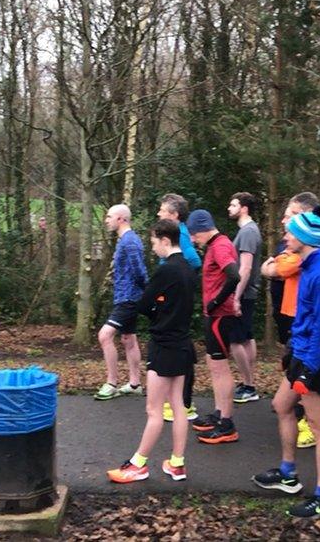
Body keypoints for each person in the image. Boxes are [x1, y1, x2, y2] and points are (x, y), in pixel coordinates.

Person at [252, 210, 320, 520]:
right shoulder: (309, 264)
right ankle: (288, 474)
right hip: (302, 351)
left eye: (290, 233)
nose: (286, 237)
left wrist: (309, 368)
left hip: (319, 360)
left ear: (304, 238)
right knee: (281, 405)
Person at [107, 220, 196, 484]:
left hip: (163, 346)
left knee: (154, 410)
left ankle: (138, 464)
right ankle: (177, 464)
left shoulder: (166, 271)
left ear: (165, 240)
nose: (153, 247)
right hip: (182, 345)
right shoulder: (190, 269)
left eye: (154, 242)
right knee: (178, 405)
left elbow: (144, 304)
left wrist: (157, 308)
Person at [261, 195, 318, 448]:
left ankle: (309, 424)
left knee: (303, 371)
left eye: (290, 214)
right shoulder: (290, 245)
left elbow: (279, 269)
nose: (284, 220)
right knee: (289, 365)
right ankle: (296, 415)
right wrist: (274, 264)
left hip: (301, 316)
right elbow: (268, 268)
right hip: (287, 314)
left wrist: (276, 265)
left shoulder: (309, 248)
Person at [186, 209, 241, 444]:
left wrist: (217, 301)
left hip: (220, 314)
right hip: (215, 313)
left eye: (193, 234)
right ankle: (219, 414)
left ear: (202, 229)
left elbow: (234, 275)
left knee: (220, 369)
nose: (191, 239)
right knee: (213, 364)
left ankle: (227, 424)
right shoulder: (215, 244)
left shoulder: (219, 245)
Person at [94, 204, 147, 401]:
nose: (106, 220)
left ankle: (111, 383)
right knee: (128, 339)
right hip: (124, 297)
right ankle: (134, 384)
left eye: (109, 217)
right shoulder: (125, 240)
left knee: (104, 336)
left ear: (121, 219)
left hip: (129, 299)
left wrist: (146, 292)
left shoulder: (130, 241)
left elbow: (140, 271)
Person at [156, 193, 202, 422]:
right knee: (178, 344)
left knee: (180, 346)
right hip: (171, 293)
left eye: (162, 210)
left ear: (173, 215)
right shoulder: (177, 233)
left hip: (175, 296)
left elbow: (194, 261)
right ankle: (179, 401)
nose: (158, 213)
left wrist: (179, 283)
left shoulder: (181, 234)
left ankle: (185, 403)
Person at [227, 192, 262, 403]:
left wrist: (236, 297)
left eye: (233, 205)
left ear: (244, 208)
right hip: (247, 293)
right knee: (247, 337)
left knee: (235, 341)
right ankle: (249, 382)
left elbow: (246, 268)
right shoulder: (248, 230)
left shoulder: (248, 232)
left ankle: (249, 385)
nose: (229, 208)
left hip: (244, 293)